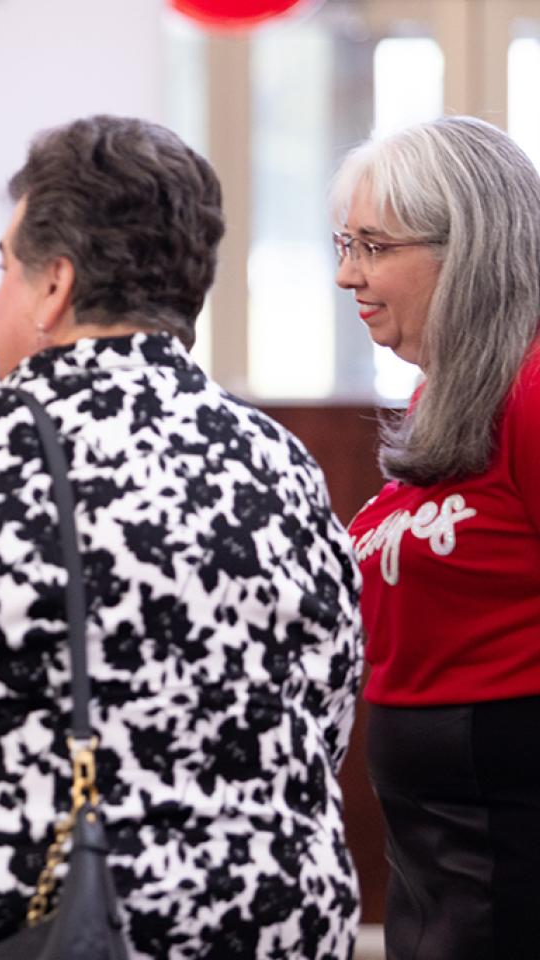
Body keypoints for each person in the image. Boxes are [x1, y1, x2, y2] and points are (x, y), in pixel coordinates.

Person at [0, 115, 364, 959]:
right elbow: (326, 719)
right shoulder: (282, 463)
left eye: (3, 267)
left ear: (53, 286)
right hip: (270, 923)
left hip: (33, 925)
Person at [335, 116, 540, 959]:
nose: (348, 274)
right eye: (344, 244)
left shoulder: (530, 393)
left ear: (472, 250)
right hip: (442, 859)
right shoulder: (443, 399)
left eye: (374, 246)